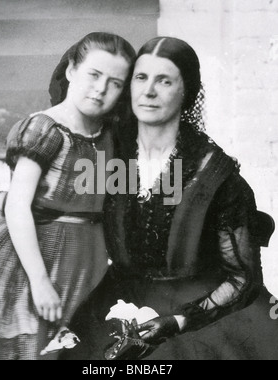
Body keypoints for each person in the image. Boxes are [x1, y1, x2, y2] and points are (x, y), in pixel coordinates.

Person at [65, 37, 278, 361]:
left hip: (202, 317)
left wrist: (178, 321)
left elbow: (243, 279)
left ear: (187, 92)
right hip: (114, 305)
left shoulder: (217, 178)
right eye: (141, 78)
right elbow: (67, 210)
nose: (148, 91)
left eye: (164, 81)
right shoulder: (109, 156)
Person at [0, 32, 136, 360]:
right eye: (93, 75)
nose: (101, 88)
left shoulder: (110, 135)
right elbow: (18, 206)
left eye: (115, 82)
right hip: (36, 258)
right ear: (71, 71)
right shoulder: (45, 129)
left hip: (88, 260)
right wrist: (39, 282)